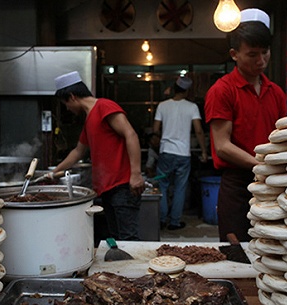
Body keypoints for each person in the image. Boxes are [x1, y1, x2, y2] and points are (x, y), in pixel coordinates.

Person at [204, 9, 287, 242]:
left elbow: (284, 138)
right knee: (237, 254)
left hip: (273, 183)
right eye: (252, 54)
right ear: (234, 54)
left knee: (274, 250)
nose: (261, 61)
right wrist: (261, 165)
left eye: (265, 52)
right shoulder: (222, 90)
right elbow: (222, 146)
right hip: (238, 184)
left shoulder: (277, 92)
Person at [52, 71, 145, 241]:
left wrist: (136, 173)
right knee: (117, 239)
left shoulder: (104, 106)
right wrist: (53, 173)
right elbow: (78, 152)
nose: (67, 109)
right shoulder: (89, 118)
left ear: (72, 97)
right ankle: (121, 268)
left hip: (123, 186)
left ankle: (131, 269)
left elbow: (130, 135)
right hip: (107, 189)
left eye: (65, 104)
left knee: (129, 240)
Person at [153, 76, 208, 230]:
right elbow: (198, 130)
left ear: (174, 89)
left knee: (162, 186)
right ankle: (175, 222)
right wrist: (204, 151)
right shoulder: (192, 107)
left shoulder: (162, 106)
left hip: (166, 152)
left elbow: (156, 129)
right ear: (186, 92)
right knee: (180, 187)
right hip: (183, 153)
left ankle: (162, 220)